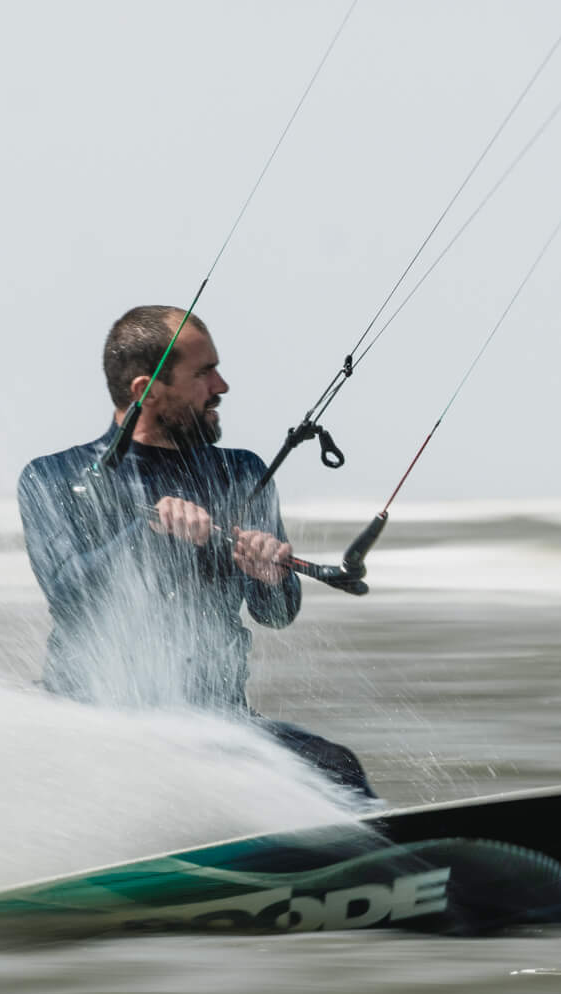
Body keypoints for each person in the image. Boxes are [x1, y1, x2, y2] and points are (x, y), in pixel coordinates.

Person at [18, 305, 376, 800]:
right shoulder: (54, 477)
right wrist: (149, 534)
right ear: (145, 390)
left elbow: (276, 614)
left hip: (217, 726)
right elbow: (70, 596)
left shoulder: (241, 473)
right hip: (99, 727)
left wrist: (269, 576)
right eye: (203, 373)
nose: (222, 386)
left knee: (337, 770)